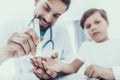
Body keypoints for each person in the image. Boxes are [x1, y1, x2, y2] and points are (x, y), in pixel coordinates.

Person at [32, 8, 120, 80]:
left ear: (107, 22)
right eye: (88, 26)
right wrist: (61, 66)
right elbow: (72, 68)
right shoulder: (86, 46)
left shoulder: (117, 43)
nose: (93, 27)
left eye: (97, 22)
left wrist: (113, 73)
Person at [0, 0, 75, 79]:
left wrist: (57, 71)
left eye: (56, 15)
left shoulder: (63, 32)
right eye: (46, 8)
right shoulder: (11, 26)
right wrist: (6, 52)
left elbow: (70, 66)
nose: (48, 19)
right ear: (36, 1)